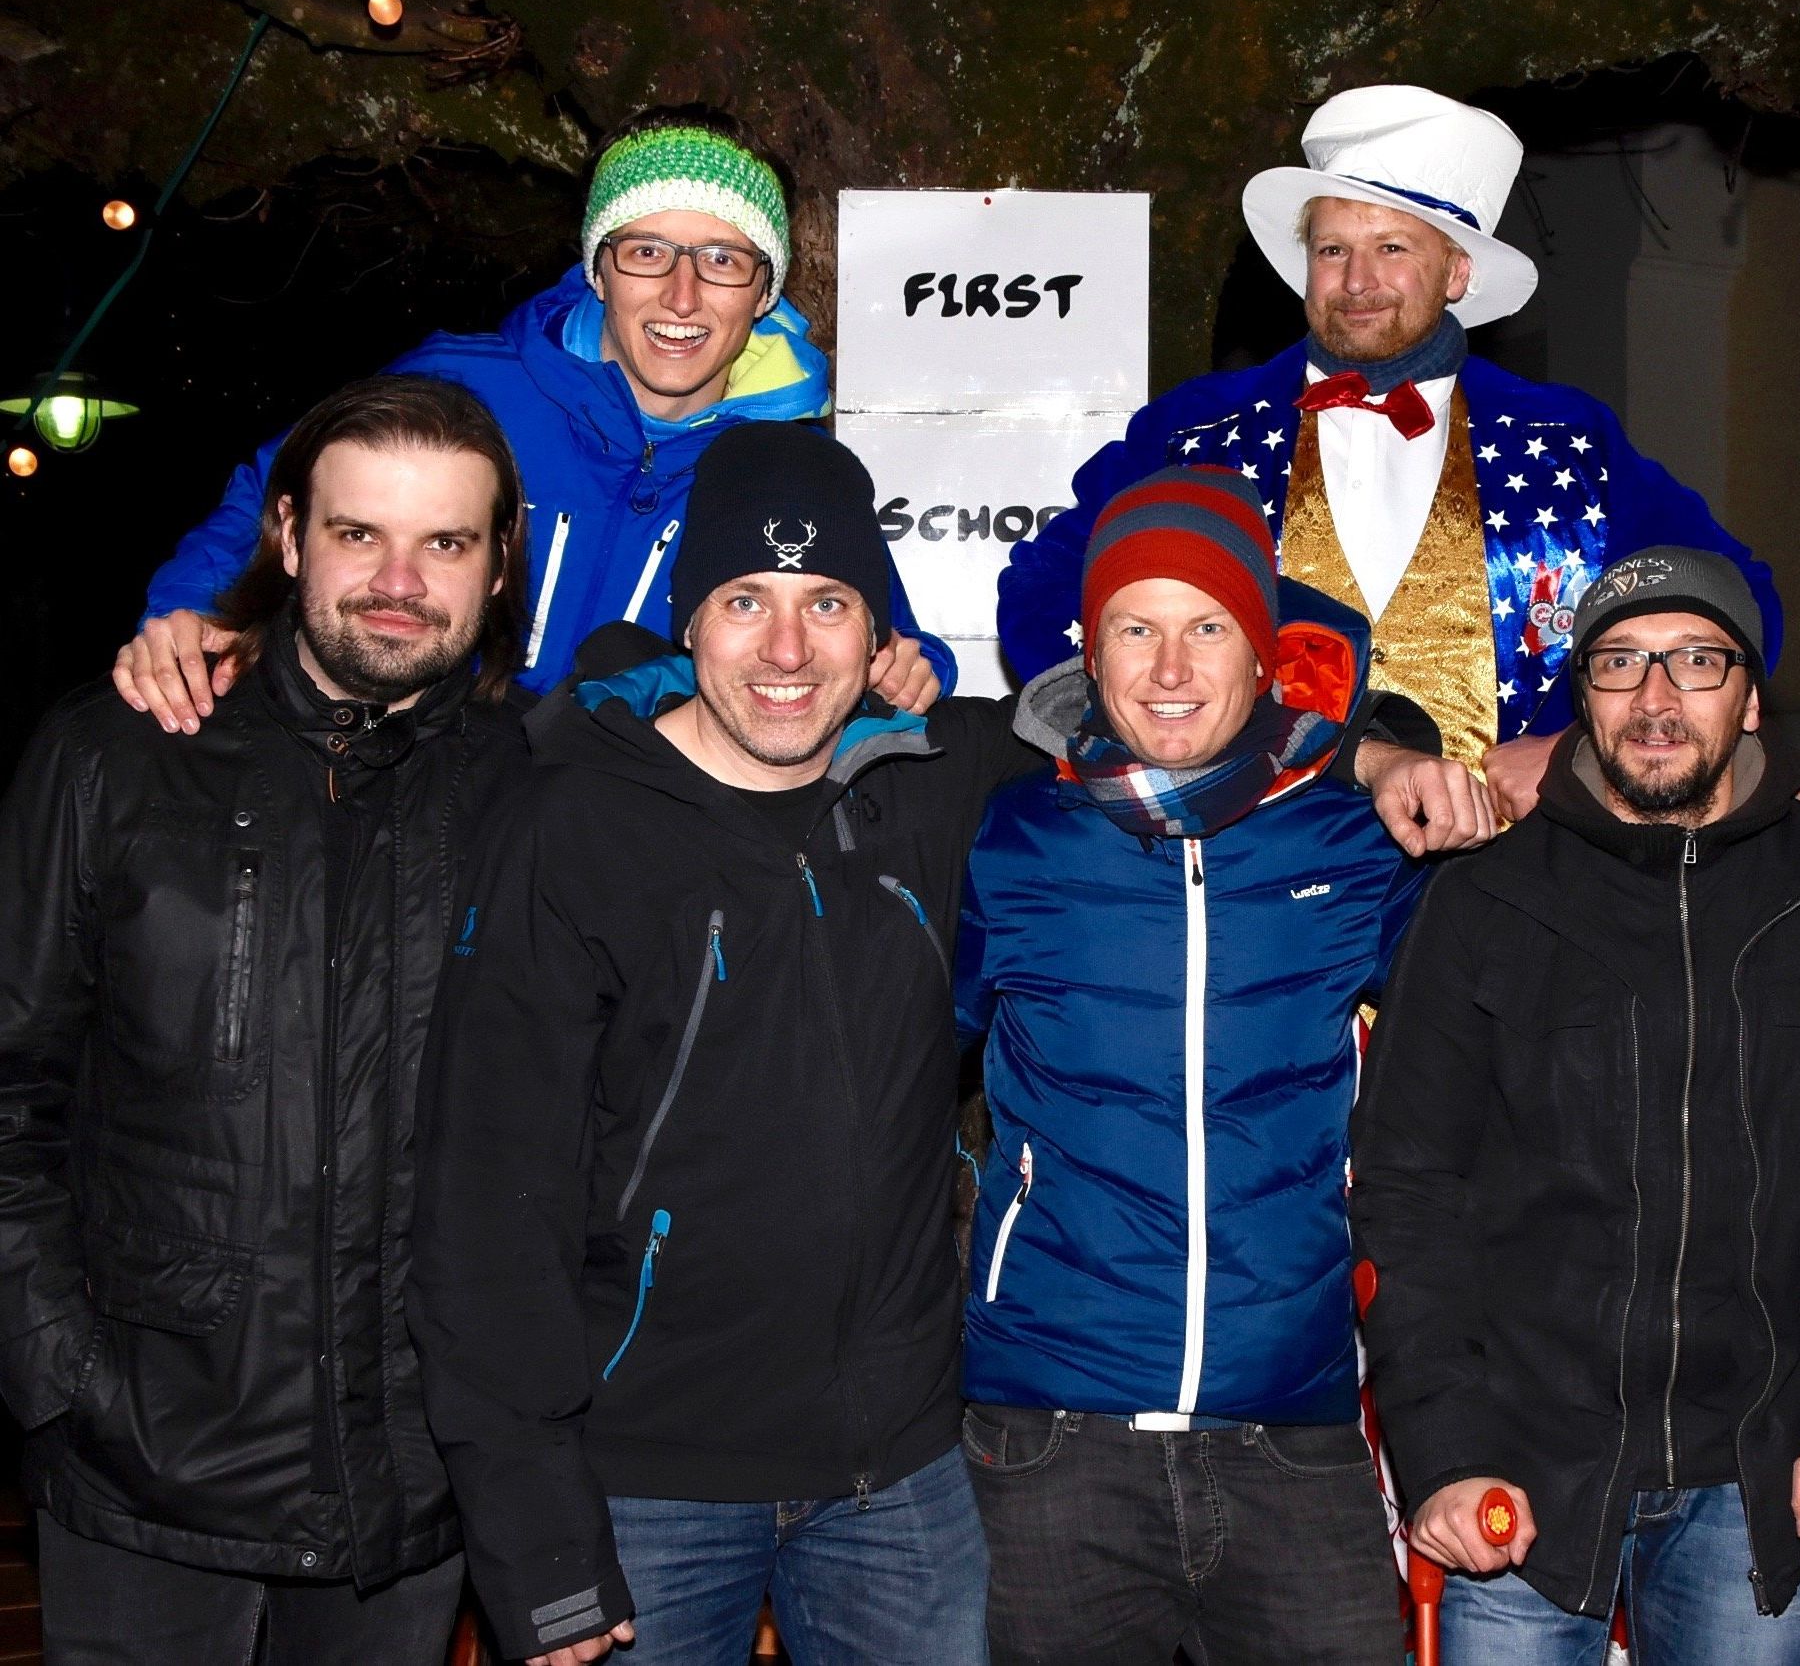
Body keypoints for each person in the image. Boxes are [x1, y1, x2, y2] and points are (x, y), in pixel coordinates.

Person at [409, 423, 1484, 1666]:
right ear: (689, 625)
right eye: (743, 599)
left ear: (880, 637)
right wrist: (536, 1536)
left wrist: (1384, 747)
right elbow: (484, 1201)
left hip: (927, 1470)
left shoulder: (977, 789)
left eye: (827, 603)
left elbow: (1240, 764)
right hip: (698, 1464)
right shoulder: (605, 825)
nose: (785, 647)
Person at [0, 375, 534, 1664]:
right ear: (289, 535)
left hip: (408, 1488)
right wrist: (57, 1377)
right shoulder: (118, 754)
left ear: (499, 563)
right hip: (141, 1468)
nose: (398, 579)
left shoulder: (535, 791)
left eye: (445, 543)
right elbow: (11, 1089)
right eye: (359, 534)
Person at [1351, 545, 1800, 1663]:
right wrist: (1443, 1449)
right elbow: (1406, 1196)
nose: (1655, 698)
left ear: (1750, 695)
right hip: (1518, 1475)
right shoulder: (1483, 903)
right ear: (1581, 697)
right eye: (1619, 663)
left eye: (1695, 661)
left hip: (1759, 1480)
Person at [955, 467, 1483, 1664]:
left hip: (1291, 1427)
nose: (1171, 669)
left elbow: (1496, 1021)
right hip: (1047, 1432)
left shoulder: (1357, 839)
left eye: (1207, 630)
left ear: (1263, 658)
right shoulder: (1008, 839)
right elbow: (882, 1062)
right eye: (1135, 630)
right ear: (1090, 655)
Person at [998, 82, 1779, 817]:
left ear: (1457, 271)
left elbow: (1737, 601)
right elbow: (1041, 594)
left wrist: (1581, 748)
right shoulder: (1196, 435)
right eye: (1333, 250)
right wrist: (1151, 754)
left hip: (1500, 891)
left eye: (1393, 249)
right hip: (1259, 873)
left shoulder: (1569, 444)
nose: (1357, 281)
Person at [114, 101, 950, 730]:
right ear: (598, 269)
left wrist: (917, 668)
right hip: (419, 765)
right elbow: (284, 486)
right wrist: (192, 608)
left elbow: (884, 631)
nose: (681, 295)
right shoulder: (467, 385)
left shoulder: (786, 462)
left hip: (619, 820)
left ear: (764, 291)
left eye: (723, 260)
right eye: (647, 251)